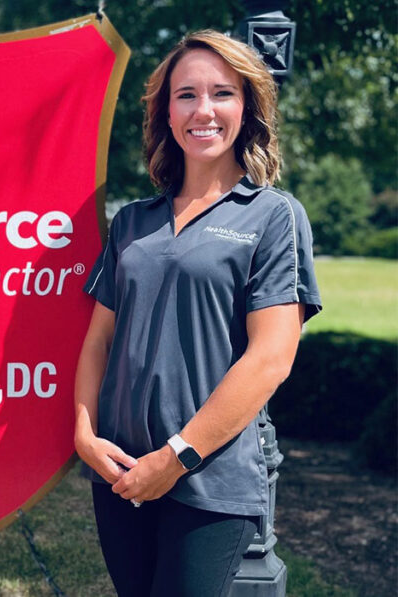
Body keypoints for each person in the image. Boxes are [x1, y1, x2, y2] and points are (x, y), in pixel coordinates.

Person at [74, 30, 322, 597]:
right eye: (186, 94)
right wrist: (86, 434)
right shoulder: (132, 221)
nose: (202, 110)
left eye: (222, 94)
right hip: (120, 473)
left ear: (247, 107)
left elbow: (271, 359)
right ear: (167, 109)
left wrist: (176, 457)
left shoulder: (273, 217)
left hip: (209, 480)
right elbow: (99, 340)